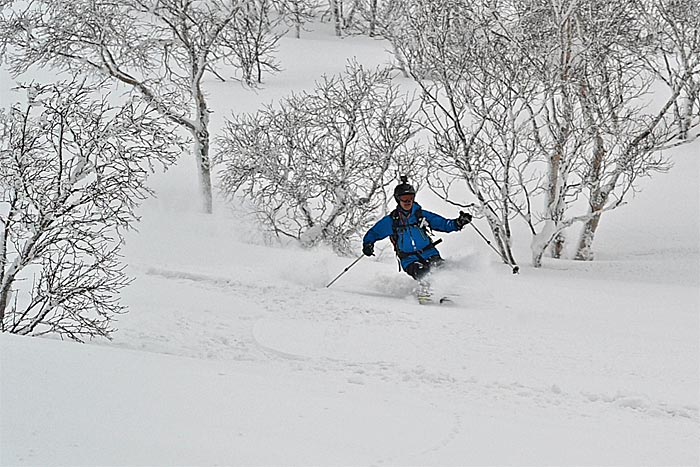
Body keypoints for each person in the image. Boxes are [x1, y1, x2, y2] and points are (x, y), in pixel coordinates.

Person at [361, 177, 472, 295]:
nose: (408, 201)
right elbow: (374, 233)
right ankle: (426, 294)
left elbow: (443, 224)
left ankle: (449, 294)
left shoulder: (421, 215)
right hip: (409, 259)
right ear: (398, 200)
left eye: (410, 198)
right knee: (423, 273)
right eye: (404, 199)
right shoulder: (392, 221)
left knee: (443, 270)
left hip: (429, 253)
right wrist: (368, 244)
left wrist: (458, 223)